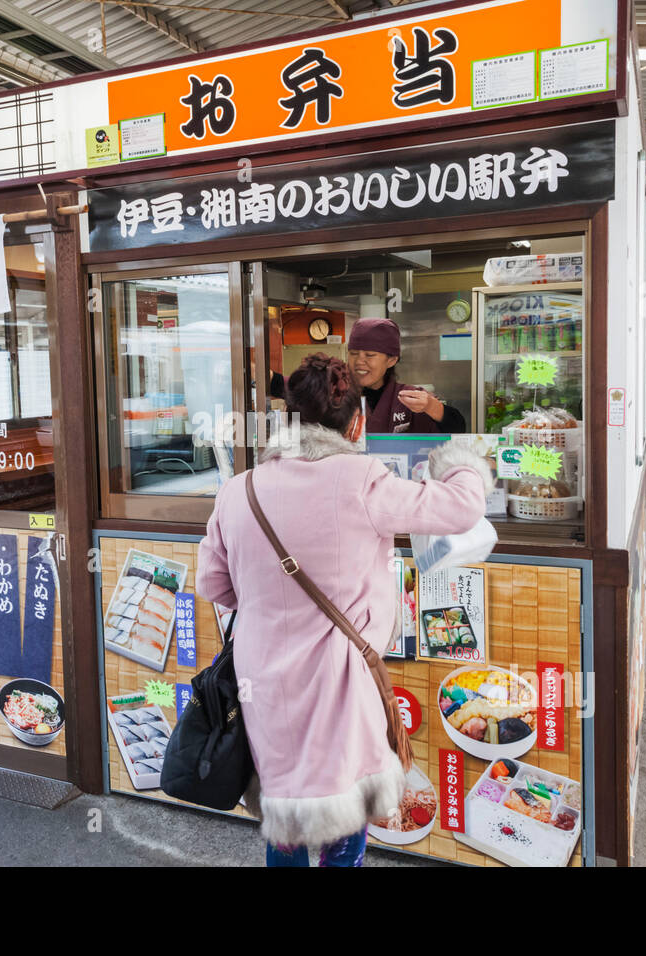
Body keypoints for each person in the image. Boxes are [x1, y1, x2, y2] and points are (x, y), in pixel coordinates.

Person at [195, 354, 493, 867]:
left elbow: (213, 584)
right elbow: (461, 507)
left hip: (261, 676)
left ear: (287, 418)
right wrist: (459, 460)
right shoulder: (363, 480)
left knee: (285, 808)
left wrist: (273, 605)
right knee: (345, 807)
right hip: (343, 676)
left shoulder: (238, 490)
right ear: (356, 423)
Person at [346, 317, 467, 433]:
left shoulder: (409, 397)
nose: (359, 361)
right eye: (353, 353)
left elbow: (458, 427)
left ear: (391, 360)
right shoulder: (339, 396)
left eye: (370, 355)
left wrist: (431, 406)